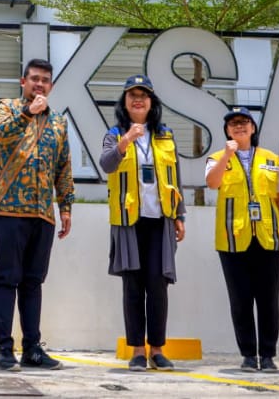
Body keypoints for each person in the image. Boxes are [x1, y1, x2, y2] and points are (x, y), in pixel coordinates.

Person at [0, 58, 74, 372]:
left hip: (42, 212)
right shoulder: (7, 107)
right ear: (23, 82)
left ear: (50, 85)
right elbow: (1, 135)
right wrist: (28, 112)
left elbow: (63, 166)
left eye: (45, 80)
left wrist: (65, 206)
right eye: (34, 79)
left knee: (33, 282)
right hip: (6, 208)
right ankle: (2, 350)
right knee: (7, 279)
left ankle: (32, 348)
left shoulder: (59, 122)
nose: (39, 84)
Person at [101, 75, 186, 373]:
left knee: (158, 286)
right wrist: (126, 141)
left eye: (144, 95)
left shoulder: (165, 135)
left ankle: (158, 350)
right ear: (124, 102)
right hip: (128, 221)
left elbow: (175, 176)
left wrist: (180, 215)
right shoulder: (114, 133)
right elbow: (107, 164)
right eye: (132, 95)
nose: (138, 99)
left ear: (152, 102)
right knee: (133, 287)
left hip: (160, 220)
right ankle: (137, 350)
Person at [205, 105, 279, 372]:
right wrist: (228, 154)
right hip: (233, 238)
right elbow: (212, 182)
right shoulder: (217, 157)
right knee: (240, 300)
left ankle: (267, 354)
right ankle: (247, 354)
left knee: (268, 300)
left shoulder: (270, 158)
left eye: (244, 122)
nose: (239, 126)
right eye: (233, 124)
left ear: (253, 128)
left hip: (268, 237)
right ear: (227, 131)